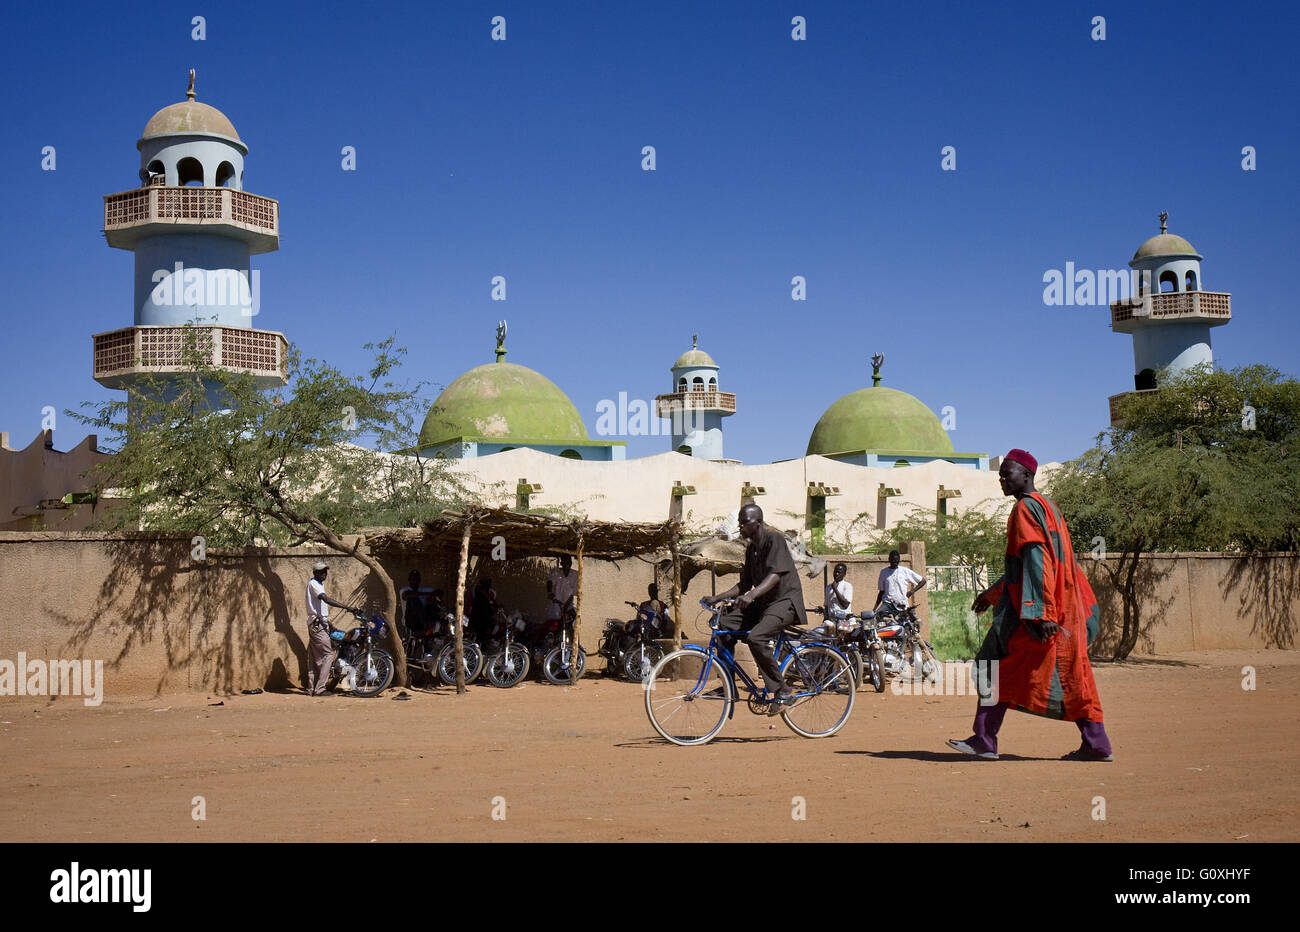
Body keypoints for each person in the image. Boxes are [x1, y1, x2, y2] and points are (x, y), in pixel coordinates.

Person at [947, 449, 1113, 762]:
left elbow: (1037, 562)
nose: (1001, 479)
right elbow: (1029, 565)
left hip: (1038, 614)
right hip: (1069, 609)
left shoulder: (1025, 509)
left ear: (1026, 475)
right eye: (1000, 474)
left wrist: (1041, 614)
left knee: (991, 667)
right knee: (1072, 676)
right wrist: (992, 595)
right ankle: (1096, 743)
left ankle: (984, 740)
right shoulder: (1048, 506)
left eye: (1006, 473)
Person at [703, 503, 807, 711]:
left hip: (785, 603)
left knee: (756, 637)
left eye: (744, 522)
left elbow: (775, 575)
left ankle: (782, 690)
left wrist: (751, 595)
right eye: (740, 522)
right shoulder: (751, 549)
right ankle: (728, 685)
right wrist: (718, 597)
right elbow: (744, 583)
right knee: (723, 624)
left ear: (757, 522)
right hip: (764, 605)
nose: (740, 526)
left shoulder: (774, 539)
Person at [305, 561, 353, 696]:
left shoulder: (318, 584)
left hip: (318, 623)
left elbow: (318, 608)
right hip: (317, 625)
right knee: (328, 654)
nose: (324, 574)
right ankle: (320, 689)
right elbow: (325, 599)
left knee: (313, 657)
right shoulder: (314, 584)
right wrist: (346, 607)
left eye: (325, 571)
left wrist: (329, 624)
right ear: (315, 573)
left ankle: (311, 688)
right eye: (321, 571)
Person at [547, 555, 579, 623]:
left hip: (568, 606)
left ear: (571, 563)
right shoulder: (556, 572)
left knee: (570, 626)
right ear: (561, 564)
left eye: (569, 563)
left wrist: (565, 609)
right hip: (555, 606)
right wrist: (550, 592)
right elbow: (550, 582)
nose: (567, 565)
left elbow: (572, 594)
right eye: (565, 563)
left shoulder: (575, 574)